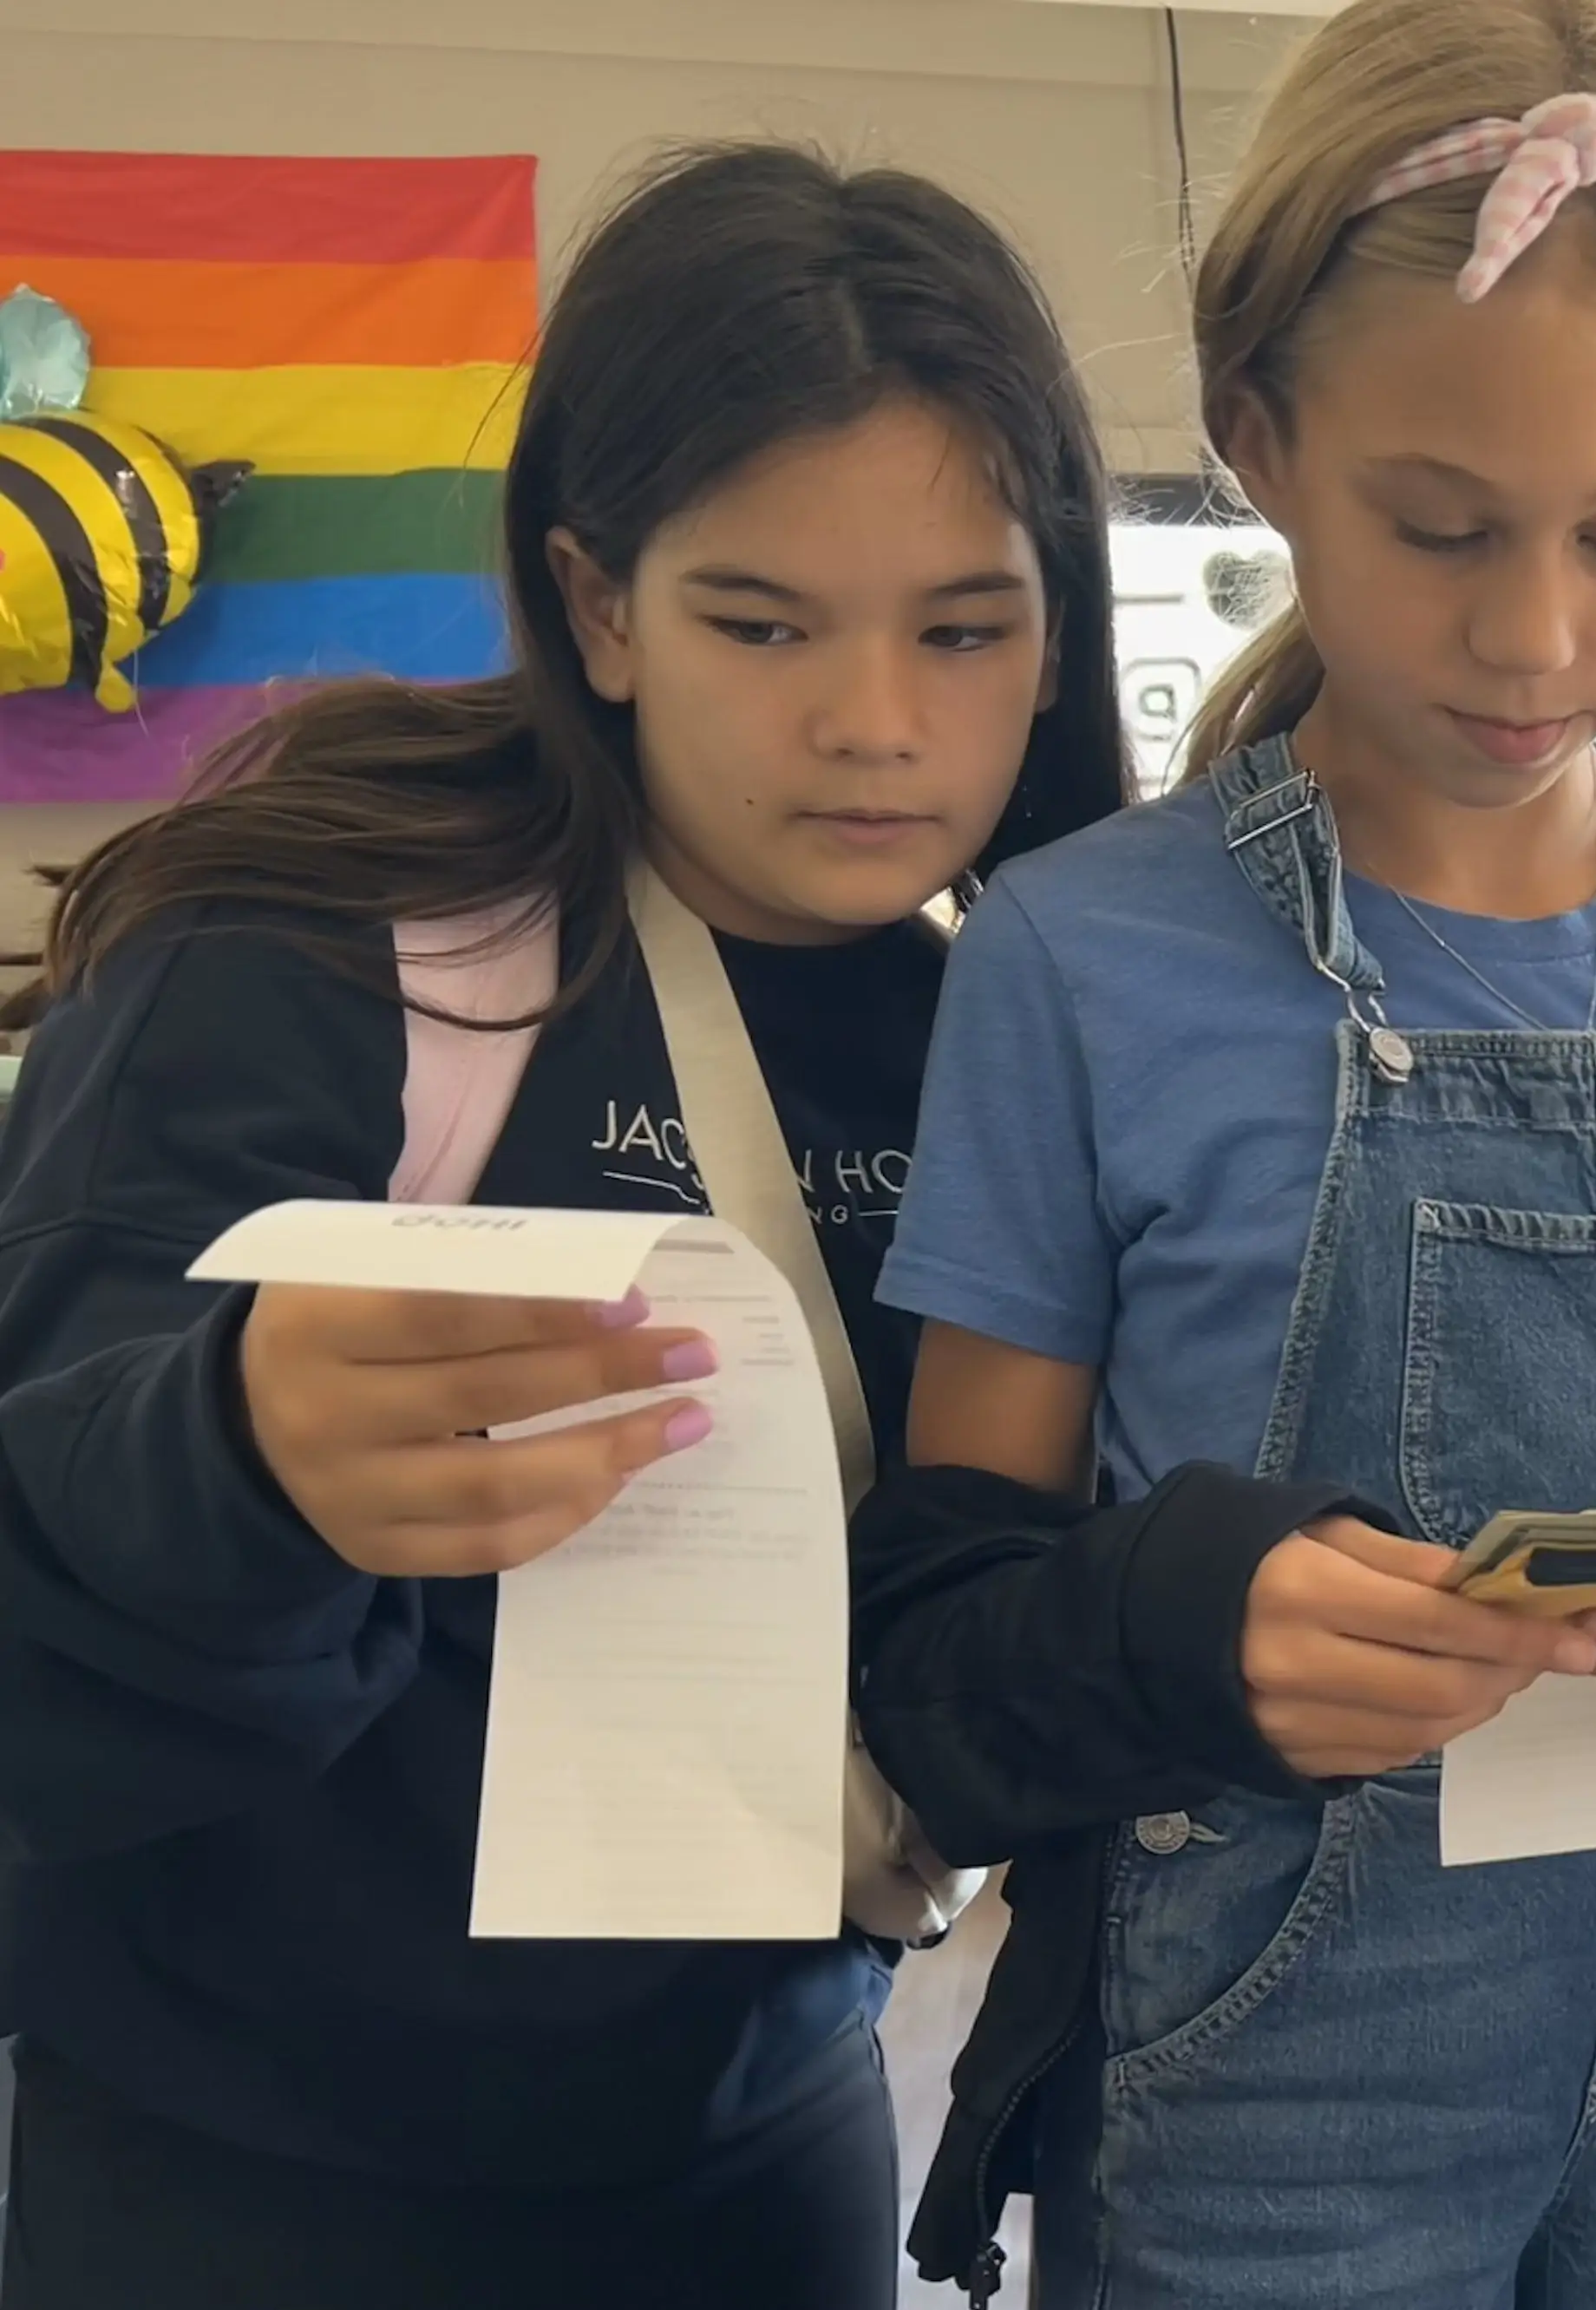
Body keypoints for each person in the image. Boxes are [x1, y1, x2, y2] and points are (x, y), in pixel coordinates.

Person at [845, 1, 1596, 2302]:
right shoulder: (1081, 963)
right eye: (1439, 526)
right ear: (1261, 445)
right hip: (1258, 2125)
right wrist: (1208, 1625)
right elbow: (942, 1637)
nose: (1538, 632)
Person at [0, 143, 1124, 2310]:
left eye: (963, 626)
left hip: (773, 2124)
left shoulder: (1046, 1016)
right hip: (257, 2171)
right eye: (758, 620)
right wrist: (240, 1455)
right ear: (600, 603)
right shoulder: (318, 938)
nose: (874, 720)